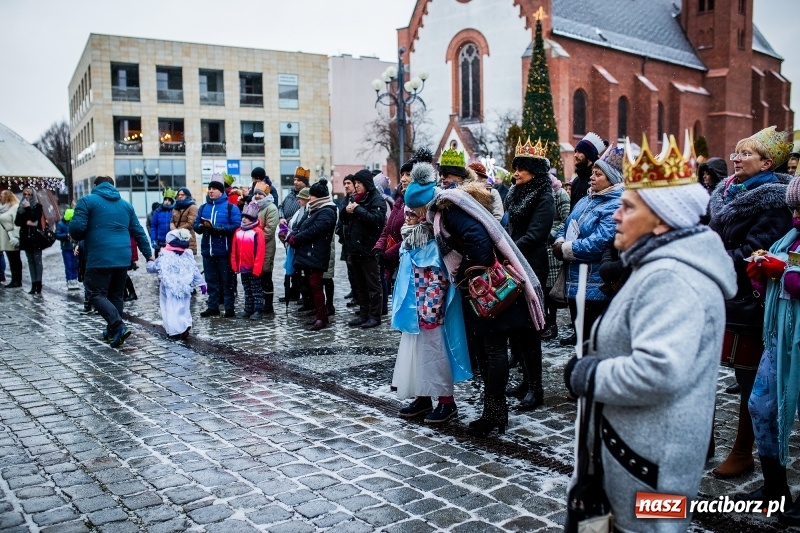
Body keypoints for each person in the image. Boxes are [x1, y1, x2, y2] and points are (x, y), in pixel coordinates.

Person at [564, 133, 737, 533]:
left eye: (628, 207)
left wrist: (587, 374)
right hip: (636, 460)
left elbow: (658, 372)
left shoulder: (673, 277)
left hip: (650, 474)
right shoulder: (659, 265)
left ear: (661, 220)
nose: (616, 216)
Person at [417, 161, 548, 433]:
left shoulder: (448, 211)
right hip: (483, 288)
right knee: (487, 349)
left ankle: (494, 414)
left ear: (422, 204)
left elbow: (479, 243)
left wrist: (463, 273)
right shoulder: (449, 208)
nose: (415, 216)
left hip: (489, 289)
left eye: (415, 210)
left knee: (493, 349)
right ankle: (495, 412)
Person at [708, 126, 794, 480]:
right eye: (736, 152)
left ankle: (743, 452)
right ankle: (702, 441)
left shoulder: (775, 201)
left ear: (767, 163)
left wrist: (708, 259)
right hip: (719, 295)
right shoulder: (727, 193)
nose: (737, 158)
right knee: (704, 373)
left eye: (746, 154)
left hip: (749, 303)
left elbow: (755, 252)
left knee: (748, 381)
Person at [741, 177, 800, 523]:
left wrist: (787, 273)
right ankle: (775, 488)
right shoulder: (789, 238)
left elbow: (792, 279)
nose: (796, 216)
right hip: (780, 337)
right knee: (760, 406)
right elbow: (775, 289)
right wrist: (760, 276)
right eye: (793, 208)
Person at [391, 200, 471, 424]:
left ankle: (447, 401)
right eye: (406, 213)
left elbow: (438, 280)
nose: (406, 218)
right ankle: (422, 396)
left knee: (435, 356)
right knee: (415, 356)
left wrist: (430, 311)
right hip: (412, 313)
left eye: (412, 214)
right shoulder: (410, 242)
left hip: (429, 314)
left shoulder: (432, 244)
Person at [553, 143, 626, 346]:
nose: (592, 177)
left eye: (598, 174)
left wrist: (566, 249)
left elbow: (600, 241)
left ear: (612, 179)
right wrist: (559, 240)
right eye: (593, 173)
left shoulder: (615, 204)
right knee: (580, 339)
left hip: (593, 285)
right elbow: (567, 224)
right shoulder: (586, 200)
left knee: (591, 342)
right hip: (574, 280)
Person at [502, 139, 555, 411]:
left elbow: (535, 235)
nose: (516, 173)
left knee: (530, 328)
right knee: (518, 328)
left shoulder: (544, 196)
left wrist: (507, 250)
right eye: (516, 168)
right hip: (515, 264)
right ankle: (525, 381)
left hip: (531, 265)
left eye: (521, 168)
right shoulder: (516, 194)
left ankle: (536, 388)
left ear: (534, 171)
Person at [70, 176, 153, 348]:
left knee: (95, 294)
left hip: (99, 256)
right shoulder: (126, 205)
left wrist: (81, 235)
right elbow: (139, 231)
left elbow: (77, 229)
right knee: (116, 295)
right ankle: (112, 331)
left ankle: (118, 326)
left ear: (95, 185)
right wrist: (148, 254)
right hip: (122, 257)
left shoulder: (87, 201)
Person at [287, 179, 338, 330]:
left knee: (316, 286)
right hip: (308, 254)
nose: (309, 198)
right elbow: (300, 226)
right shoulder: (312, 209)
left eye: (312, 195)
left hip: (317, 254)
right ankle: (319, 316)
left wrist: (296, 238)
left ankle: (322, 318)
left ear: (318, 197)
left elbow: (315, 230)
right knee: (312, 286)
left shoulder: (328, 211)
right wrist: (292, 234)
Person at [343, 169, 387, 328]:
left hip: (369, 249)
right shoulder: (355, 199)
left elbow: (376, 220)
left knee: (373, 285)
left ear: (367, 183)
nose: (356, 186)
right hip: (355, 249)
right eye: (355, 183)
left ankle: (375, 316)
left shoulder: (377, 199)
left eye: (359, 183)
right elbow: (344, 220)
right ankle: (363, 314)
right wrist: (346, 211)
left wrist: (357, 209)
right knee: (360, 285)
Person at [193, 179, 242, 318]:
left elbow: (237, 225)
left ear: (221, 191)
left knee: (227, 281)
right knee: (211, 281)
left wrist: (220, 229)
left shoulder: (231, 207)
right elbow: (195, 224)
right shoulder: (203, 207)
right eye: (209, 188)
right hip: (208, 251)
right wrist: (201, 227)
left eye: (214, 189)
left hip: (224, 251)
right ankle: (212, 306)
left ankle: (229, 308)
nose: (211, 191)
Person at [146, 229, 205, 339]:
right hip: (185, 286)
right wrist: (201, 283)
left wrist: (149, 262)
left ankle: (174, 330)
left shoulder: (165, 255)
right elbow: (194, 270)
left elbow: (153, 268)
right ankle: (185, 324)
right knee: (184, 307)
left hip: (170, 288)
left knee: (171, 308)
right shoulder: (187, 254)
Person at [374, 162, 410, 317]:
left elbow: (411, 236)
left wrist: (388, 255)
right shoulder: (399, 200)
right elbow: (388, 229)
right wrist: (379, 247)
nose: (403, 179)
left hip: (407, 262)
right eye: (402, 174)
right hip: (396, 262)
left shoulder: (417, 202)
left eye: (408, 174)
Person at [541, 169, 571, 340]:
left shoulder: (560, 194)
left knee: (551, 289)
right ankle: (544, 322)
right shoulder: (541, 193)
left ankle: (552, 324)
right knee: (543, 289)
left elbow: (566, 219)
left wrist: (551, 233)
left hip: (552, 247)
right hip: (541, 247)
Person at [231, 201, 267, 320]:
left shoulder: (257, 232)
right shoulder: (238, 231)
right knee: (247, 289)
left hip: (253, 268)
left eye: (247, 217)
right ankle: (248, 309)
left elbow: (260, 252)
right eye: (243, 217)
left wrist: (257, 268)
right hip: (243, 267)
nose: (244, 219)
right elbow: (234, 251)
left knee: (256, 289)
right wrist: (235, 265)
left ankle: (258, 310)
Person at [279, 166, 310, 303]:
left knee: (300, 267)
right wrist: (281, 217)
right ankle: (293, 292)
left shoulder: (307, 194)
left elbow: (303, 213)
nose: (295, 182)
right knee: (290, 264)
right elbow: (281, 206)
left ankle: (303, 294)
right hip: (288, 234)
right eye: (295, 179)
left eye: (299, 180)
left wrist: (292, 224)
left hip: (298, 235)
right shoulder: (290, 195)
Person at [252, 182, 279, 317]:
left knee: (266, 275)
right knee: (256, 276)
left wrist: (255, 239)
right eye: (256, 193)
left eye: (260, 194)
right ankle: (258, 303)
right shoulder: (252, 206)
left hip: (266, 247)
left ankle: (268, 305)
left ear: (266, 195)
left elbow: (269, 230)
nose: (257, 196)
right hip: (252, 247)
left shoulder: (271, 208)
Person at [14, 188, 46, 294]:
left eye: (29, 194)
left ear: (33, 195)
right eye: (25, 194)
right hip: (25, 237)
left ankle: (38, 283)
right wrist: (26, 222)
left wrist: (28, 209)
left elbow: (34, 217)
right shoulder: (20, 207)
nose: (27, 196)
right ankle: (33, 284)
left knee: (37, 260)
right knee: (30, 261)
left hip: (35, 237)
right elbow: (17, 222)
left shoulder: (38, 206)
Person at [336, 174, 358, 306]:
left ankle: (357, 295)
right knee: (349, 269)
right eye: (344, 183)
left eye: (348, 183)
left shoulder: (356, 199)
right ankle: (353, 290)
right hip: (346, 240)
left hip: (354, 240)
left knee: (355, 270)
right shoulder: (345, 200)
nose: (346, 186)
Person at [570, 132, 606, 209]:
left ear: (589, 156)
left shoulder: (597, 182)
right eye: (575, 151)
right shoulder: (576, 181)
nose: (575, 155)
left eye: (579, 152)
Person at [0, 190, 22, 289]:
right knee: (11, 259)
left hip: (12, 238)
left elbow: (17, 223)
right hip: (5, 238)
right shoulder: (3, 208)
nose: (0, 197)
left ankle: (17, 280)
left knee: (15, 259)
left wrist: (16, 237)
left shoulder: (14, 207)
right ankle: (14, 279)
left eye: (2, 196)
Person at [54, 208, 80, 290]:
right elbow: (57, 235)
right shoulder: (61, 224)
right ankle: (70, 280)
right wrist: (66, 235)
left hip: (74, 247)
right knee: (68, 264)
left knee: (75, 264)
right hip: (66, 248)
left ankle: (74, 279)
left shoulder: (73, 223)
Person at [170, 187, 198, 256]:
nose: (180, 196)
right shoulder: (175, 207)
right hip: (176, 239)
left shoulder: (192, 207)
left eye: (183, 195)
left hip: (188, 239)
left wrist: (178, 231)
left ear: (187, 196)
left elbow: (190, 223)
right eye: (179, 195)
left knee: (187, 260)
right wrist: (174, 230)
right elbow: (172, 221)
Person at [150, 189, 176, 258]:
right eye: (165, 200)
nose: (167, 202)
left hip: (172, 243)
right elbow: (154, 226)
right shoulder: (158, 211)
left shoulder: (175, 211)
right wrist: (153, 239)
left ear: (172, 201)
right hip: (160, 243)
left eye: (169, 200)